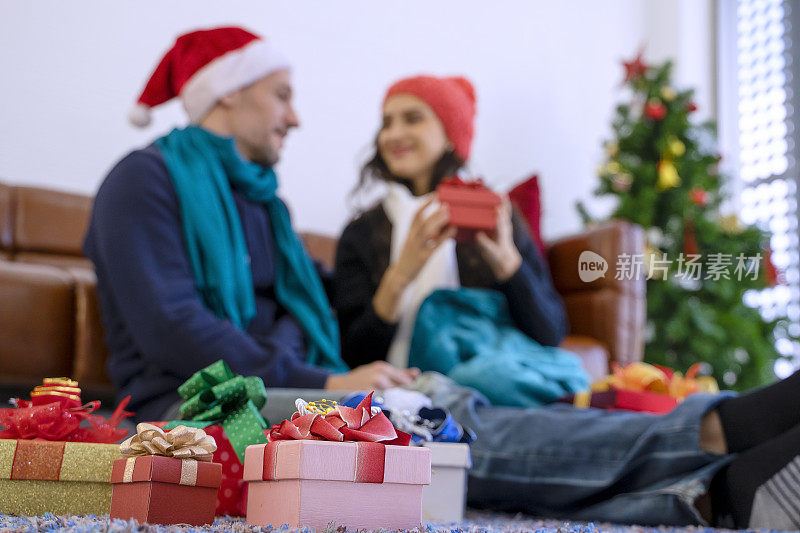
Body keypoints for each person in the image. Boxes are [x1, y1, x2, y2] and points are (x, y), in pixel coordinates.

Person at [330, 74, 800, 529]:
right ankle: (731, 440)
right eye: (387, 122)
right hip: (422, 390)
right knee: (498, 434)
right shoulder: (362, 233)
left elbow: (548, 333)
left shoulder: (495, 214)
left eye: (412, 119)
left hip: (510, 387)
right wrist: (402, 272)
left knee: (552, 435)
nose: (394, 133)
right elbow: (349, 352)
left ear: (451, 134)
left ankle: (729, 490)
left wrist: (509, 265)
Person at [83, 26, 417, 423]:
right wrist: (324, 384)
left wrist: (408, 270)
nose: (295, 119)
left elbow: (316, 296)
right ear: (228, 89)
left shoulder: (266, 203)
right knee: (389, 418)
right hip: (194, 408)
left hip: (288, 390)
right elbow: (172, 327)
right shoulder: (141, 180)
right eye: (282, 95)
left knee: (434, 397)